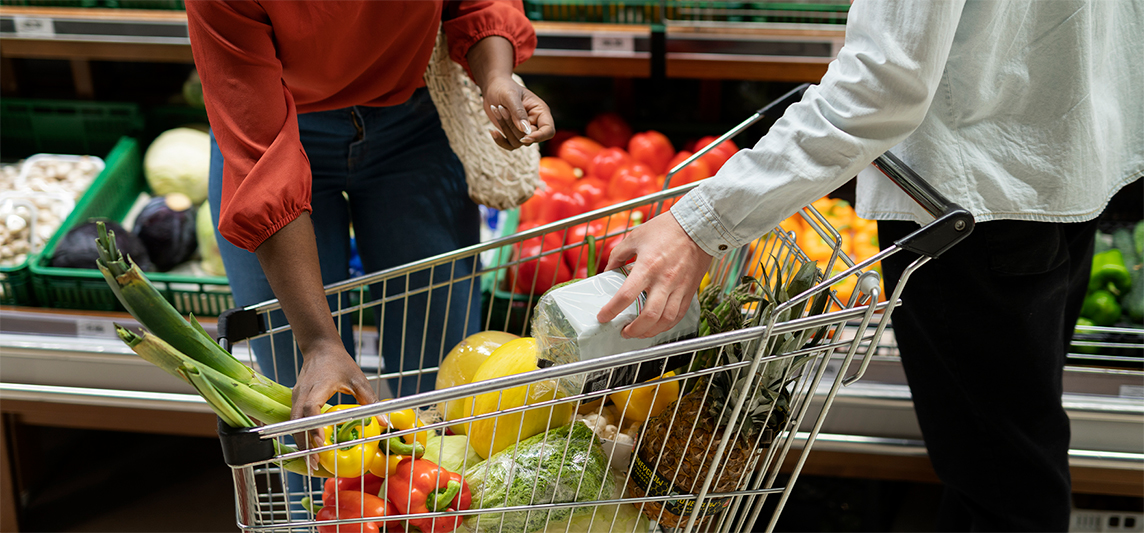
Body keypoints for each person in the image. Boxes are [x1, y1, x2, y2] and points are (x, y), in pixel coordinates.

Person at [597, 0, 1142, 530]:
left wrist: (698, 225)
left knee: (1010, 487)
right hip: (1055, 167)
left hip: (965, 203)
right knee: (998, 462)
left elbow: (882, 84)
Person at [185, 0, 554, 448]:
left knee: (440, 400)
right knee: (305, 407)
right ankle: (319, 513)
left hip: (415, 123)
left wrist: (495, 74)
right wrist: (319, 342)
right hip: (273, 123)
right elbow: (264, 164)